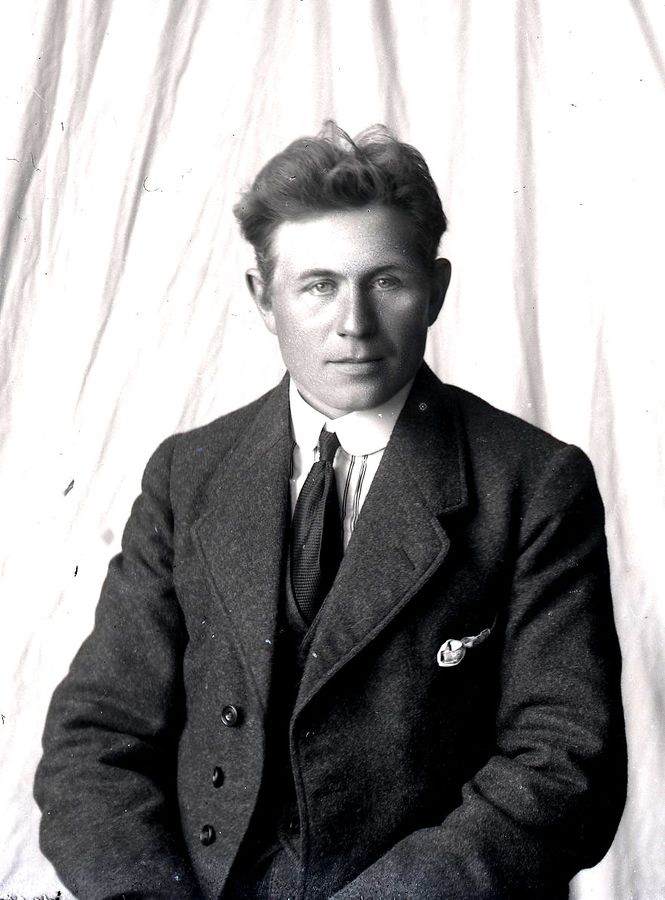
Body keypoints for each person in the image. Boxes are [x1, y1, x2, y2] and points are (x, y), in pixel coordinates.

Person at [34, 122, 627, 899]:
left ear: (436, 289)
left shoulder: (533, 483)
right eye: (317, 285)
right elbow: (97, 738)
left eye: (386, 282)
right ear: (262, 296)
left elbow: (563, 767)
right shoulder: (189, 473)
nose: (353, 324)